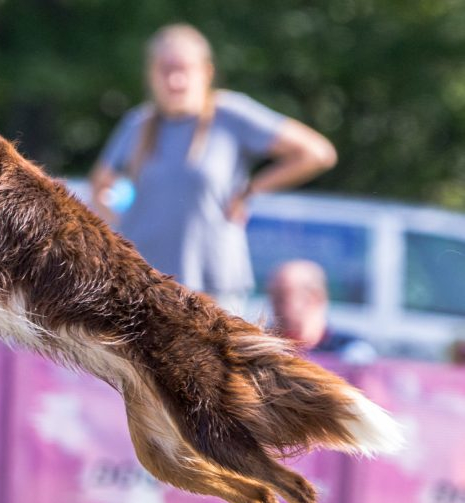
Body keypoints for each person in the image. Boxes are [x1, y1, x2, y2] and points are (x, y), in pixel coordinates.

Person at [89, 23, 337, 315]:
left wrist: (250, 191)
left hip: (213, 288)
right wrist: (120, 222)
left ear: (206, 72)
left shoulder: (230, 114)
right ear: (151, 74)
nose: (175, 80)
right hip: (143, 286)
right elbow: (99, 186)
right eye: (165, 70)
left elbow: (317, 153)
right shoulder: (138, 124)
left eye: (183, 69)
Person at [267, 259, 376, 363]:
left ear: (315, 297)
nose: (274, 304)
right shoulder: (264, 347)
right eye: (272, 295)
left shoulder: (352, 351)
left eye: (282, 296)